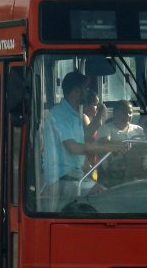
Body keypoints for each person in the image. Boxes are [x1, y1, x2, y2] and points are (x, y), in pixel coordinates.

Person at [42, 72, 126, 209]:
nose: (87, 92)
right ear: (76, 91)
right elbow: (74, 148)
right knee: (106, 198)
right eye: (85, 89)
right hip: (61, 178)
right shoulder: (60, 114)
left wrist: (99, 117)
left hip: (75, 175)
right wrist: (109, 148)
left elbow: (83, 138)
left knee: (108, 191)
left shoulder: (73, 114)